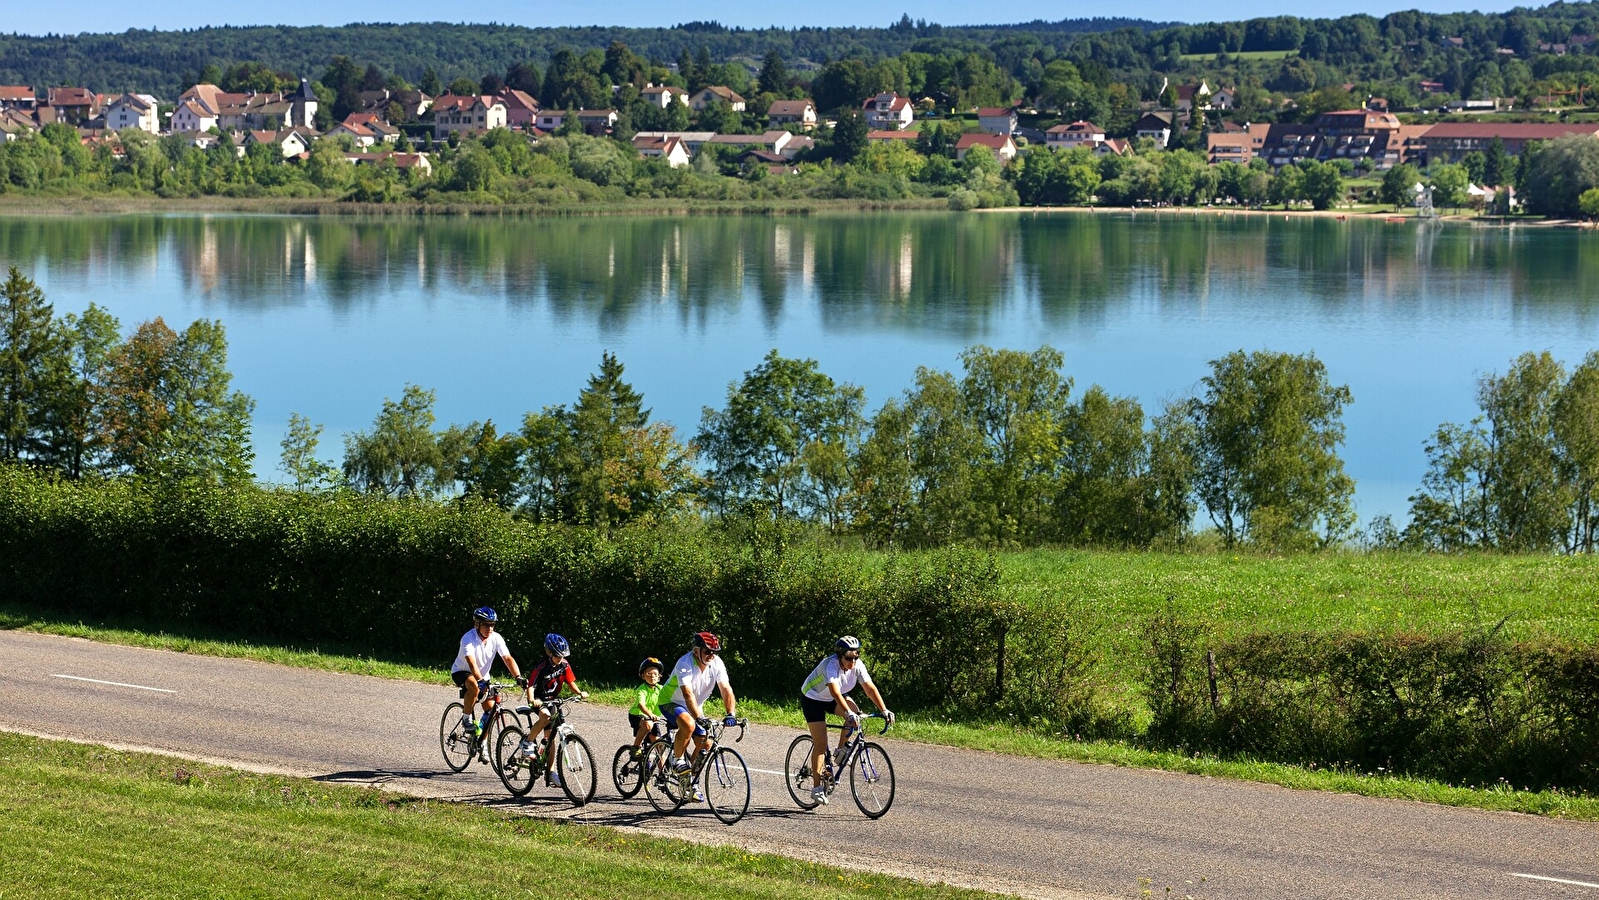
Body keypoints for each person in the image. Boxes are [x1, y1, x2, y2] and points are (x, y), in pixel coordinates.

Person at [799, 635, 892, 804]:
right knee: (820, 743)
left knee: (856, 713)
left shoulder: (857, 666)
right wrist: (848, 712)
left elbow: (870, 689)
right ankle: (817, 788)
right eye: (849, 658)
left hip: (833, 697)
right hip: (813, 698)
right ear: (840, 656)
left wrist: (884, 710)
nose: (853, 661)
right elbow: (835, 692)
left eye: (856, 657)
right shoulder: (830, 665)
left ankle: (840, 750)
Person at [661, 631, 738, 802]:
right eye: (707, 651)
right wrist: (698, 717)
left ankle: (690, 782)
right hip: (671, 702)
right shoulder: (685, 663)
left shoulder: (716, 663)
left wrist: (730, 713)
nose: (711, 655)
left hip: (694, 707)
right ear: (697, 651)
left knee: (707, 743)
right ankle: (676, 758)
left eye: (714, 652)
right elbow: (687, 694)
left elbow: (726, 689)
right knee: (688, 724)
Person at [450, 607, 525, 761]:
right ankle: (466, 719)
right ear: (477, 624)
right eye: (486, 625)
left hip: (483, 676)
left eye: (492, 625)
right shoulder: (468, 638)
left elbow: (507, 658)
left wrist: (518, 677)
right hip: (462, 672)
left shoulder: (496, 638)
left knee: (490, 712)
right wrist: (480, 681)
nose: (490, 628)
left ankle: (482, 743)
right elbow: (471, 663)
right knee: (474, 686)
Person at [524, 632, 589, 788]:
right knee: (545, 716)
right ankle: (528, 742)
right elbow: (531, 686)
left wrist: (579, 693)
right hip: (539, 700)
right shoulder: (541, 666)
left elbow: (570, 682)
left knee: (550, 737)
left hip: (553, 700)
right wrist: (533, 700)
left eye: (563, 656)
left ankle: (551, 772)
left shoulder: (564, 665)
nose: (560, 659)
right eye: (557, 656)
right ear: (549, 652)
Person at [628, 657, 669, 759]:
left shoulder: (661, 689)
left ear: (659, 677)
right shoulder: (642, 690)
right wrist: (650, 715)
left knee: (659, 746)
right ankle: (635, 747)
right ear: (643, 676)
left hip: (652, 719)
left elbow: (671, 699)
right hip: (637, 715)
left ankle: (662, 773)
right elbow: (641, 705)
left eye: (655, 674)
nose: (652, 677)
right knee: (647, 725)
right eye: (648, 674)